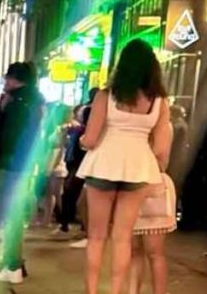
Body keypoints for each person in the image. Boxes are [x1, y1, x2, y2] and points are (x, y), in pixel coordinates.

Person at [77, 39, 170, 294]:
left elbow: (91, 139)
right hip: (138, 168)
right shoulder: (159, 102)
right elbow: (161, 147)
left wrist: (82, 141)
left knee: (96, 237)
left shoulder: (105, 96)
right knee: (123, 238)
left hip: (103, 165)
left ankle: (91, 291)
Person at [0, 61, 44, 284]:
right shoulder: (35, 101)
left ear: (16, 80)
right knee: (14, 217)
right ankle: (13, 264)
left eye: (8, 77)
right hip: (23, 166)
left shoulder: (16, 103)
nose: (5, 81)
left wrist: (2, 110)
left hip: (9, 166)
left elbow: (7, 136)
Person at [127, 111, 175, 294]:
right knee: (136, 251)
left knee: (154, 252)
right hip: (133, 188)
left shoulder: (162, 126)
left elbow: (160, 160)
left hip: (152, 187)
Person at [57, 88, 98, 239]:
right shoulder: (87, 114)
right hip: (83, 160)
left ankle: (69, 223)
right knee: (78, 193)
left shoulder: (83, 117)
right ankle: (76, 224)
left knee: (73, 192)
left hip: (79, 160)